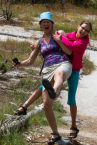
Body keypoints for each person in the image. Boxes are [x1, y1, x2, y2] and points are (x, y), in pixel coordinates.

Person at [14, 20, 92, 139]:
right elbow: (50, 37)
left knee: (71, 98)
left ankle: (73, 126)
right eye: (82, 28)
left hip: (74, 69)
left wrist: (59, 39)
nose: (83, 31)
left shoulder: (84, 41)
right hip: (62, 65)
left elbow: (70, 46)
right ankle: (24, 106)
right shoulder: (70, 34)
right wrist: (37, 43)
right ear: (78, 26)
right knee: (42, 87)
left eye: (86, 30)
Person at [13, 12, 73, 144]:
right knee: (46, 105)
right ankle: (55, 134)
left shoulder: (59, 34)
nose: (46, 24)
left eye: (48, 22)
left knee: (59, 74)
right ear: (40, 25)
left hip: (63, 64)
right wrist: (19, 64)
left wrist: (59, 41)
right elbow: (30, 60)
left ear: (52, 24)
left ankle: (54, 91)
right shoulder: (39, 41)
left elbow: (69, 52)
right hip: (47, 70)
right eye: (43, 22)